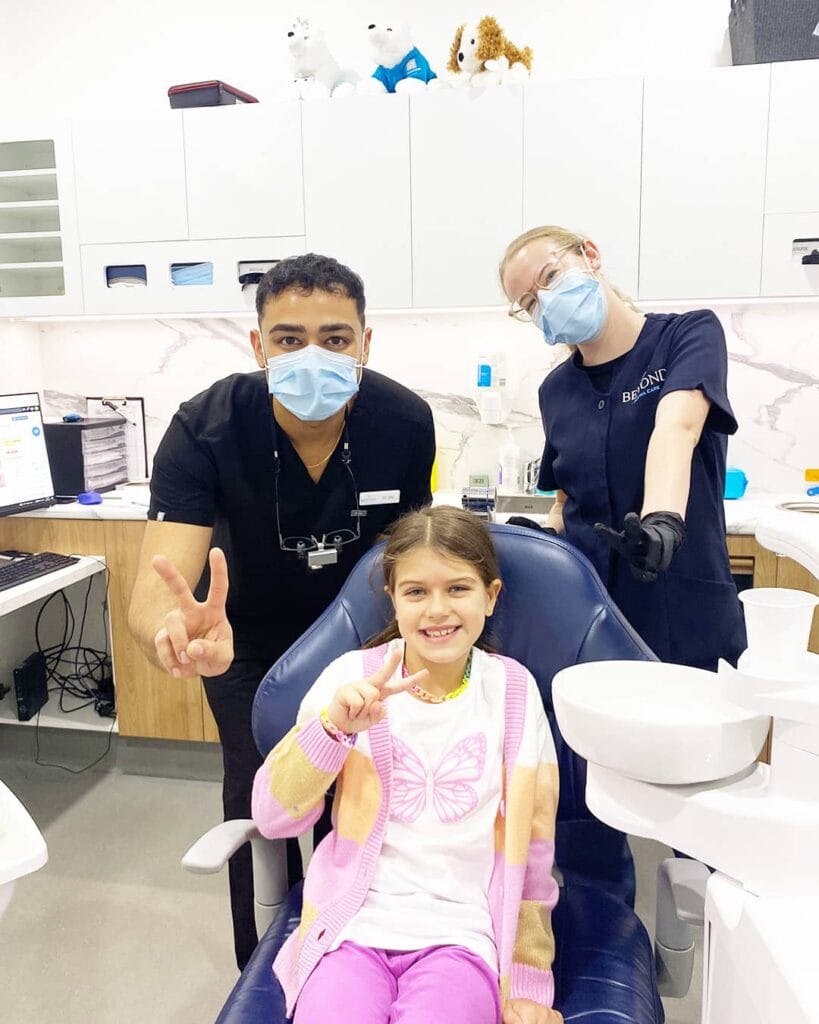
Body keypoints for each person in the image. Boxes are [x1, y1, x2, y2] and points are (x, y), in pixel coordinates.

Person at [128, 254, 435, 970]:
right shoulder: (204, 427)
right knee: (260, 796)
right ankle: (262, 962)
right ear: (258, 345)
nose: (312, 355)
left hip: (360, 643)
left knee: (358, 792)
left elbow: (410, 552)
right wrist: (172, 634)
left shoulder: (403, 421)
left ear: (364, 343)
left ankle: (354, 947)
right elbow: (157, 588)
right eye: (289, 338)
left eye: (334, 338)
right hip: (241, 644)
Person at [252, 505, 563, 1024]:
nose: (436, 609)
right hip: (350, 932)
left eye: (458, 588)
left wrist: (529, 982)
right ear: (393, 599)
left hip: (461, 939)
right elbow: (272, 816)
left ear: (491, 595)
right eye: (416, 591)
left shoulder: (512, 691)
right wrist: (334, 730)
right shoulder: (349, 679)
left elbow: (532, 852)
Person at [499, 225, 746, 671]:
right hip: (590, 615)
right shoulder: (555, 390)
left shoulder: (687, 336)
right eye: (530, 303)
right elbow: (566, 499)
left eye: (551, 276)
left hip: (683, 610)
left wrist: (662, 523)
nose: (546, 302)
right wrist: (545, 538)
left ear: (590, 255)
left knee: (689, 733)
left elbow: (677, 427)